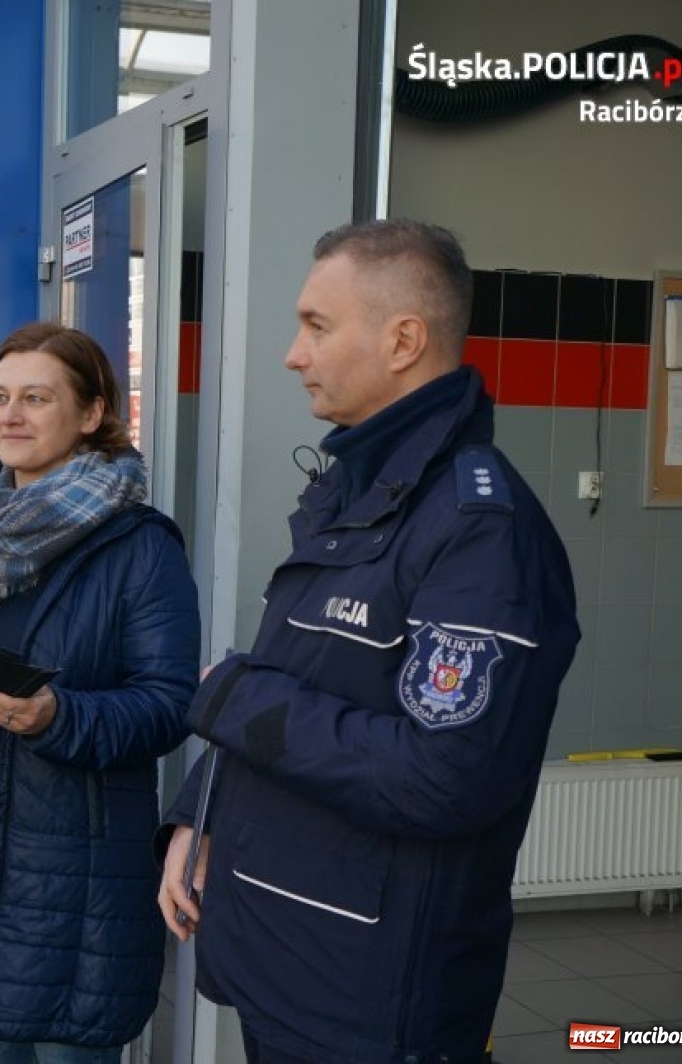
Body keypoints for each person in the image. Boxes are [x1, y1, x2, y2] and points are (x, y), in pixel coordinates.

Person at [157, 219, 580, 1064]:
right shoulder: (362, 492)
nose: (293, 353)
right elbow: (304, 676)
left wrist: (234, 696)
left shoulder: (476, 528)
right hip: (288, 959)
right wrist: (197, 815)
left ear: (403, 340)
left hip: (370, 1003)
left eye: (316, 325)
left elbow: (442, 776)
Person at [0, 322, 201, 1062]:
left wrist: (59, 716)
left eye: (35, 397)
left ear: (91, 414)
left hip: (75, 889)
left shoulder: (139, 546)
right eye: (0, 397)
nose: (10, 415)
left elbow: (168, 701)